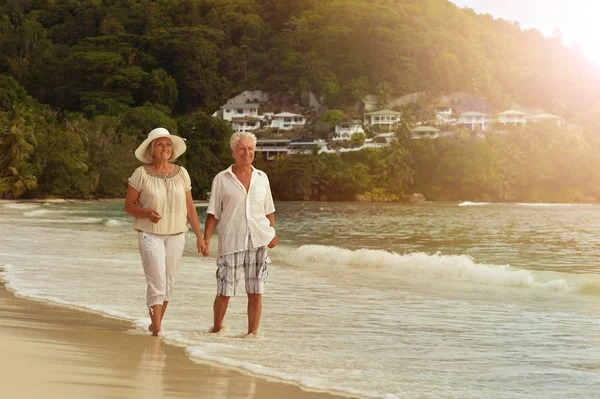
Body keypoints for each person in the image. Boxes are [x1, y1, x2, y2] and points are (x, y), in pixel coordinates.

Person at [125, 127, 208, 336]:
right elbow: (128, 205)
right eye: (160, 144)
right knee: (157, 282)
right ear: (152, 149)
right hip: (149, 233)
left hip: (177, 235)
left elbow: (190, 208)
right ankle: (157, 328)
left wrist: (200, 237)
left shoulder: (182, 173)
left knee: (168, 282)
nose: (165, 148)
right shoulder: (141, 173)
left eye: (168, 144)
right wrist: (146, 213)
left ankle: (156, 324)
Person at [204, 131, 278, 336]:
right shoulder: (222, 179)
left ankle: (252, 334)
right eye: (242, 149)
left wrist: (272, 232)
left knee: (256, 291)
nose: (247, 153)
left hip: (259, 241)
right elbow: (213, 213)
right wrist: (206, 238)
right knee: (224, 291)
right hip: (231, 241)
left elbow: (268, 209)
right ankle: (216, 329)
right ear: (234, 152)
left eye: (250, 149)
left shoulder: (262, 178)